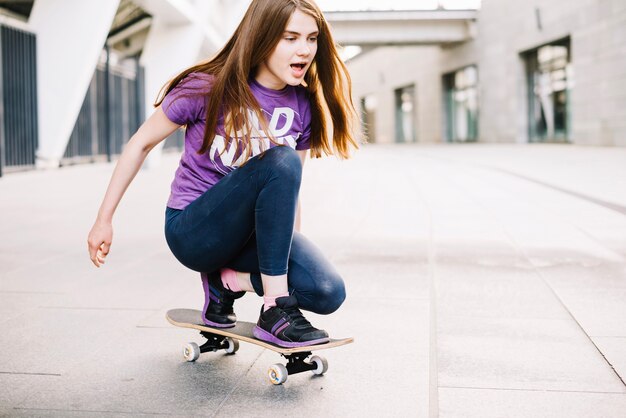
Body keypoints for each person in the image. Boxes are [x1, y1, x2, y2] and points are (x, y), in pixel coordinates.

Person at [87, 0, 359, 348]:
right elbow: (140, 144)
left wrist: (285, 255)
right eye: (290, 38)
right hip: (194, 231)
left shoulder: (302, 104)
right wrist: (103, 219)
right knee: (282, 159)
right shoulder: (207, 86)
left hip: (248, 240)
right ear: (262, 38)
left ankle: (226, 283)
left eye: (311, 38)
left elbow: (290, 192)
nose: (304, 50)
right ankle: (275, 309)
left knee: (326, 291)